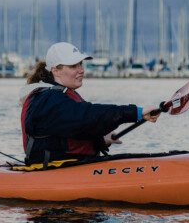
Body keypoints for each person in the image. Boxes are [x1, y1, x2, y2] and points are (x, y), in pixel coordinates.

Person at [20, 42, 159, 165]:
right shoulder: (47, 99)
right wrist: (136, 112)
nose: (81, 70)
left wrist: (101, 140)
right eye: (74, 66)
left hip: (70, 164)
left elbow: (75, 128)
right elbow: (87, 116)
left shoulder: (58, 95)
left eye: (80, 64)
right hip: (53, 169)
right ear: (55, 70)